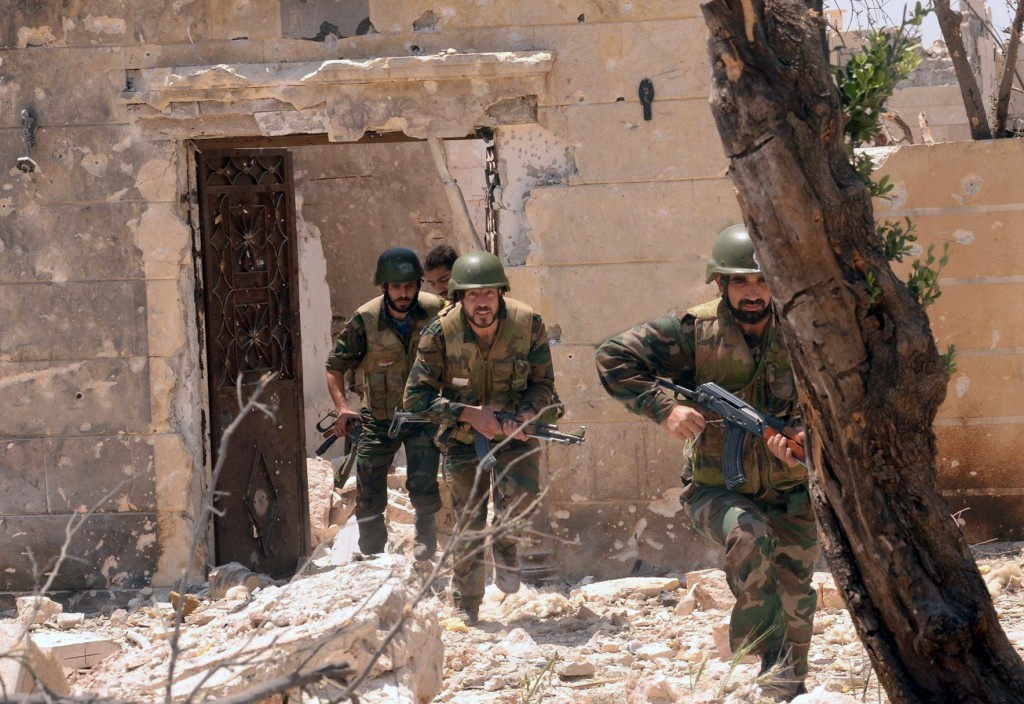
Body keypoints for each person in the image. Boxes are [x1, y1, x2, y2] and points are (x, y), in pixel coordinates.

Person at [594, 224, 818, 700]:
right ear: (720, 283)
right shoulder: (692, 332)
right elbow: (612, 357)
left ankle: (786, 683)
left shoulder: (802, 331)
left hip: (790, 489)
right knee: (749, 536)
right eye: (741, 281)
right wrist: (664, 409)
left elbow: (834, 399)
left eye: (762, 280)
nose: (753, 292)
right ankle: (762, 650)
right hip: (717, 489)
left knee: (797, 595)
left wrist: (804, 436)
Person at [404, 251, 557, 624]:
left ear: (501, 292)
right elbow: (415, 398)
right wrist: (469, 414)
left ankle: (505, 545)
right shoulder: (439, 333)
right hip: (461, 438)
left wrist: (526, 416)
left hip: (513, 435)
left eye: (489, 293)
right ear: (460, 296)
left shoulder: (528, 324)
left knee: (523, 496)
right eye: (473, 295)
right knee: (469, 522)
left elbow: (543, 384)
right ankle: (466, 603)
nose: (483, 302)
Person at [325, 247, 446, 560]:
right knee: (368, 492)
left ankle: (425, 537)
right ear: (384, 287)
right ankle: (372, 554)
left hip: (422, 416)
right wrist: (342, 407)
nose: (404, 294)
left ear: (418, 285)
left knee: (423, 485)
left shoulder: (437, 311)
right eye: (396, 287)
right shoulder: (365, 319)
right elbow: (335, 365)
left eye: (409, 286)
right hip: (379, 418)